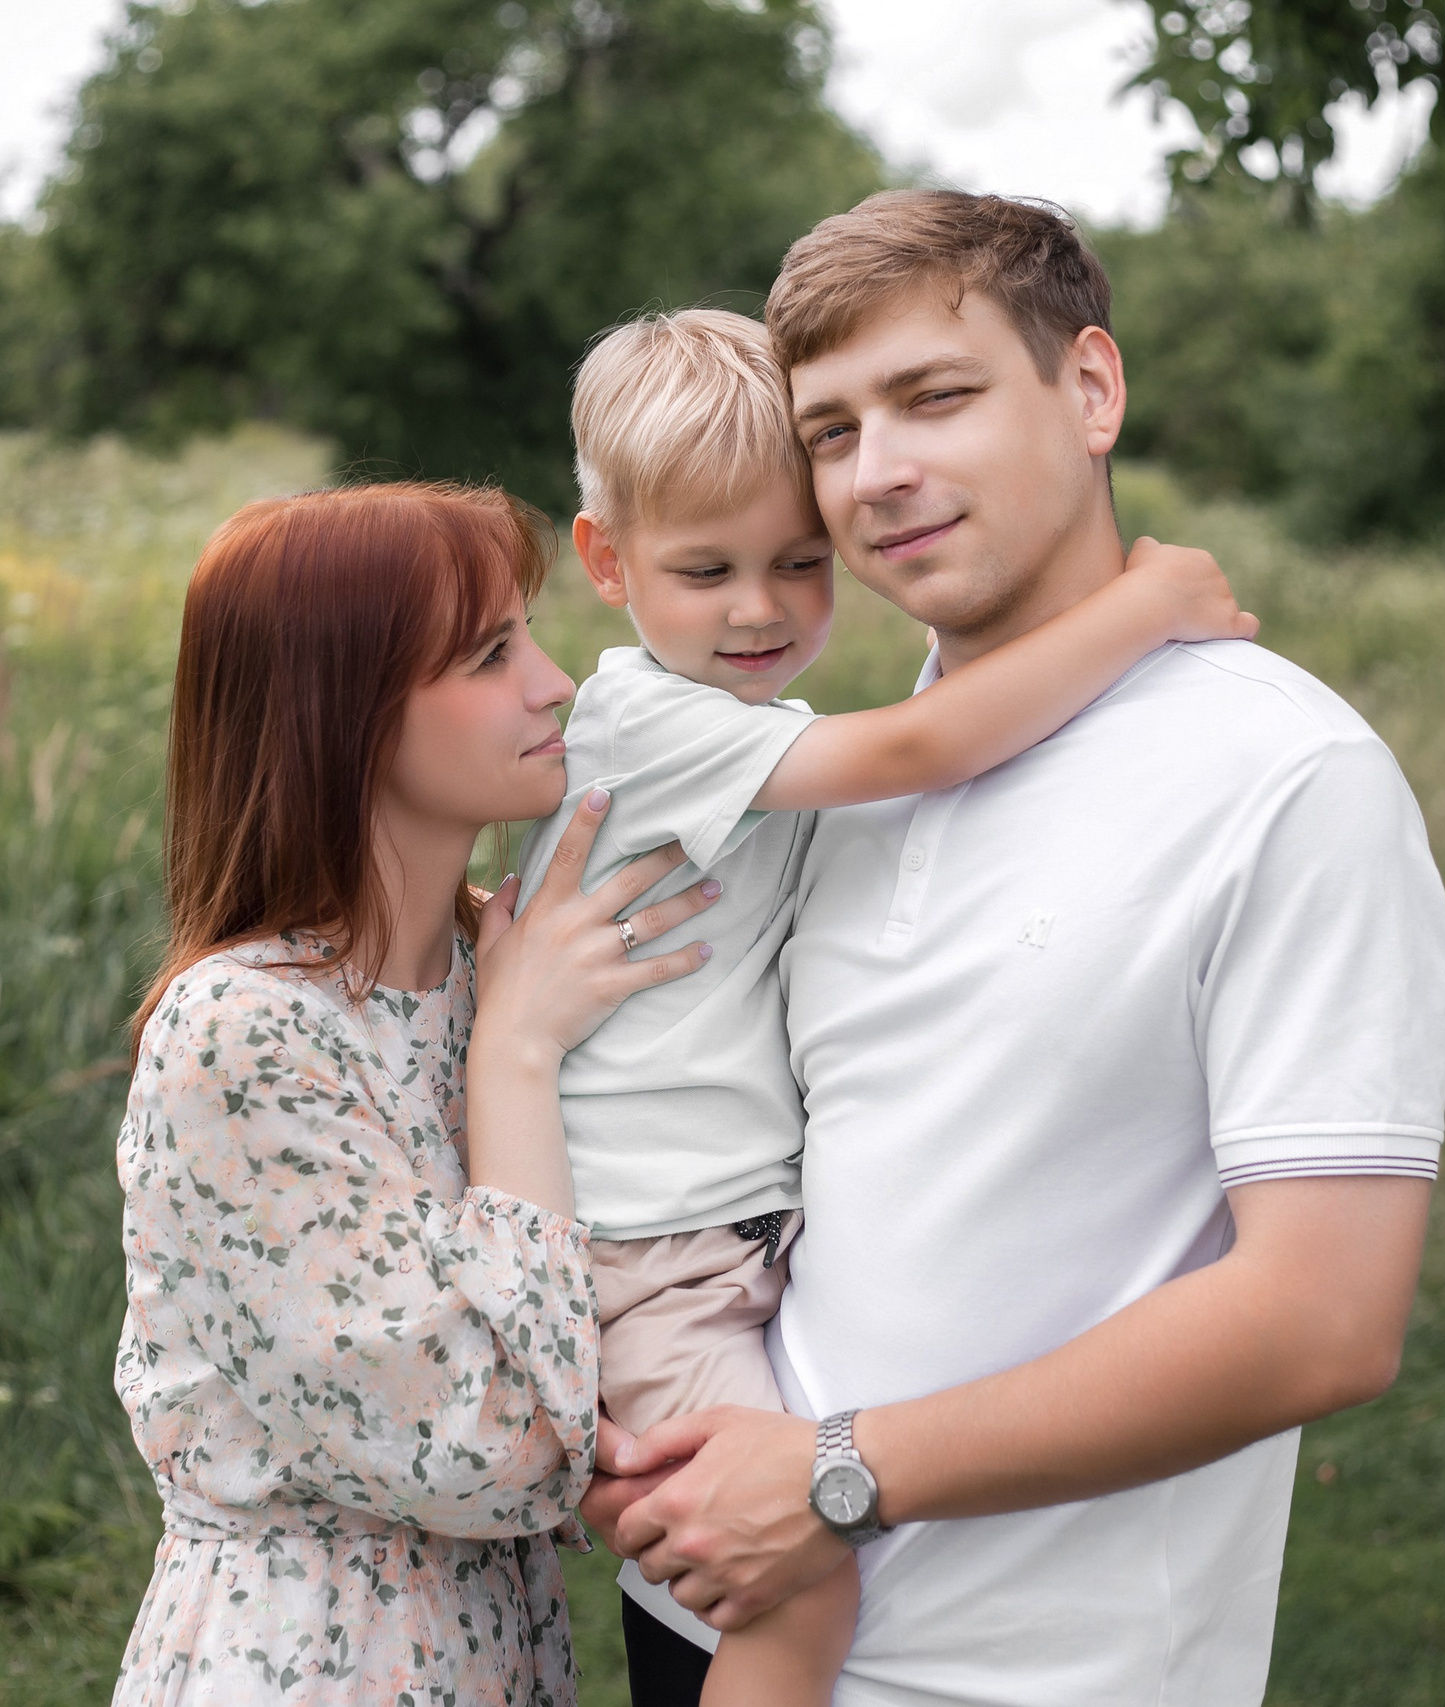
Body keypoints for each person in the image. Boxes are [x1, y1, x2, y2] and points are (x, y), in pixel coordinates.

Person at [586, 191, 1445, 1706]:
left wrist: (836, 1474)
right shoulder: (818, 780)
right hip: (702, 1609)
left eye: (935, 396)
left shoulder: (1285, 780)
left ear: (1091, 389)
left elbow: (1323, 1320)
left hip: (1035, 1676)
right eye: (836, 430)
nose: (885, 470)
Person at [515, 309, 1257, 1705]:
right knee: (800, 1580)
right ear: (606, 561)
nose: (761, 608)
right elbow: (927, 742)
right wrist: (1146, 607)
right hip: (650, 1246)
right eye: (706, 569)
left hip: (722, 1233)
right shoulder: (646, 726)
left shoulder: (757, 738)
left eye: (802, 561)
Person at [108, 483, 725, 1706]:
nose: (556, 685)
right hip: (308, 1664)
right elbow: (490, 1449)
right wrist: (518, 1055)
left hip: (502, 1656)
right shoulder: (244, 1031)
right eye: (492, 654)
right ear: (342, 713)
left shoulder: (492, 967)